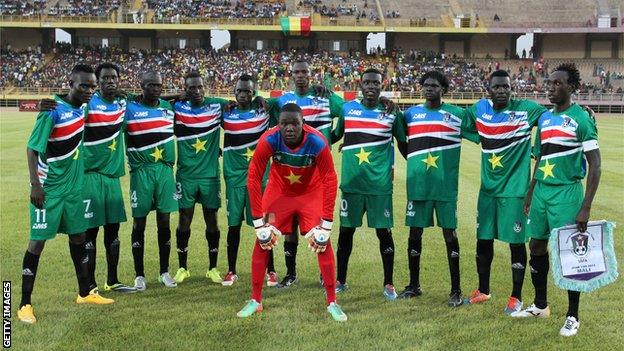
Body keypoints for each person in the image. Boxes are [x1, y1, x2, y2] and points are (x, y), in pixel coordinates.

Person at [17, 64, 113, 324]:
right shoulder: (52, 112)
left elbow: (115, 96)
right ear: (70, 82)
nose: (89, 90)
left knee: (79, 237)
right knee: (37, 243)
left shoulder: (82, 107)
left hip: (73, 190)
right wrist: (35, 185)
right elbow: (31, 149)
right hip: (48, 190)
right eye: (84, 85)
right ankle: (24, 304)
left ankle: (84, 293)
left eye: (92, 86)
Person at [512, 63, 601, 337]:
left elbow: (595, 165)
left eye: (558, 83)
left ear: (572, 87)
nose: (551, 88)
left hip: (567, 193)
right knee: (536, 246)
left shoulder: (581, 119)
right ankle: (540, 305)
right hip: (541, 194)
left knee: (570, 255)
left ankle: (573, 315)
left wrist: (585, 207)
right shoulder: (544, 120)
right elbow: (541, 159)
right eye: (549, 83)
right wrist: (530, 192)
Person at [236, 103, 347, 322]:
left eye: (294, 123)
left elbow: (329, 179)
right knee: (262, 239)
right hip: (280, 193)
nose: (289, 128)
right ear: (278, 125)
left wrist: (327, 222)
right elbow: (253, 178)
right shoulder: (269, 140)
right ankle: (255, 300)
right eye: (284, 123)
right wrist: (258, 222)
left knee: (322, 240)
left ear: (302, 123)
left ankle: (332, 301)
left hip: (310, 194)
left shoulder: (317, 141)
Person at [463, 70, 547, 315]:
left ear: (512, 89)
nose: (502, 91)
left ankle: (516, 297)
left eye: (506, 87)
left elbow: (551, 117)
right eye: (497, 87)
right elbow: (459, 119)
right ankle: (483, 289)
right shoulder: (480, 109)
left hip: (515, 192)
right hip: (487, 191)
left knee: (516, 243)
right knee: (483, 240)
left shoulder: (526, 109)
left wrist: (537, 147)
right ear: (489, 89)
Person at [396, 71, 478, 305]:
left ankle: (455, 290)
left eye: (435, 85)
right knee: (414, 233)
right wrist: (414, 162)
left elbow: (483, 131)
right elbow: (401, 141)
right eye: (425, 85)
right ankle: (414, 285)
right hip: (418, 186)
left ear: (444, 89)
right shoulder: (411, 114)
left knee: (449, 234)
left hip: (445, 188)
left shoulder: (458, 114)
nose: (429, 88)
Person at [266, 59, 344, 288]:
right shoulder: (282, 101)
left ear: (311, 75)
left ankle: (324, 273)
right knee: (289, 226)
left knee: (320, 224)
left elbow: (349, 112)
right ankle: (291, 273)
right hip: (290, 171)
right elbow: (265, 114)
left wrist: (334, 136)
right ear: (291, 75)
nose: (301, 75)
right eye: (296, 72)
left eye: (305, 72)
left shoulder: (325, 97)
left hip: (317, 173)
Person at [331, 68, 405, 300]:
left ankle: (389, 284)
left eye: (375, 83)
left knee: (384, 233)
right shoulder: (347, 108)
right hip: (352, 185)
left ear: (382, 85)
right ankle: (340, 280)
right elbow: (336, 135)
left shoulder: (392, 113)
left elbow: (403, 145)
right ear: (360, 85)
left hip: (379, 187)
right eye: (367, 83)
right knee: (345, 233)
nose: (371, 86)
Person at [82, 63, 136, 293]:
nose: (110, 82)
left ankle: (112, 280)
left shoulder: (123, 103)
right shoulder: (88, 103)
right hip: (90, 177)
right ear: (97, 82)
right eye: (105, 78)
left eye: (114, 78)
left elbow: (149, 95)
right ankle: (90, 284)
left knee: (113, 232)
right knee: (90, 233)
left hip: (113, 178)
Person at [171, 72, 228, 284]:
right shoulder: (178, 108)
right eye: (191, 88)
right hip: (185, 175)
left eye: (200, 87)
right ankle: (182, 267)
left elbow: (245, 103)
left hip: (210, 175)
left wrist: (258, 97)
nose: (197, 91)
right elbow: (153, 100)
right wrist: (176, 97)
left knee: (211, 221)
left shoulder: (217, 106)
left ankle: (213, 268)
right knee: (184, 220)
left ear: (206, 87)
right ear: (185, 90)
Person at [221, 74, 277, 286]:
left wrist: (264, 99)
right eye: (240, 91)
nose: (243, 94)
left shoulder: (264, 111)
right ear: (234, 92)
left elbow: (284, 102)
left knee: (264, 226)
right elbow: (195, 99)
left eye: (248, 91)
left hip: (261, 179)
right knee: (233, 226)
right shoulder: (225, 112)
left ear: (254, 93)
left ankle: (271, 270)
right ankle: (231, 270)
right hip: (234, 179)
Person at [126, 70, 178, 290]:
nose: (156, 89)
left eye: (159, 85)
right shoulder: (129, 108)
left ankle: (164, 272)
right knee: (139, 222)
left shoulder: (167, 108)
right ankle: (139, 275)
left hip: (165, 171)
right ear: (141, 86)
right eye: (151, 85)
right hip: (142, 172)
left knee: (164, 221)